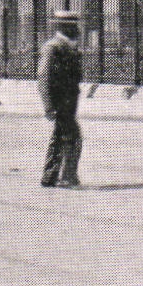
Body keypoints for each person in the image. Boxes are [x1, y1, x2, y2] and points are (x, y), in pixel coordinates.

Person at [37, 10, 84, 188]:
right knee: (71, 136)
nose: (77, 30)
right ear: (64, 28)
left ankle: (52, 176)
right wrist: (48, 105)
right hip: (60, 102)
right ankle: (65, 176)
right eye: (73, 27)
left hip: (69, 102)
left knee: (61, 137)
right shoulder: (52, 47)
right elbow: (44, 76)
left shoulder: (67, 46)